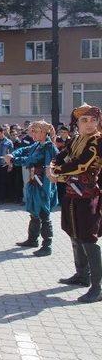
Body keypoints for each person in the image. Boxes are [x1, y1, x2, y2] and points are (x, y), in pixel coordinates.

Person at [50, 104, 102, 303]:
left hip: (89, 195)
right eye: (84, 120)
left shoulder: (97, 141)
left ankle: (98, 287)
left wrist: (57, 172)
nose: (90, 124)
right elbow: (60, 156)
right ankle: (82, 275)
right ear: (77, 123)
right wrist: (53, 166)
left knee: (88, 238)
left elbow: (82, 164)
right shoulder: (76, 139)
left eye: (93, 120)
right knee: (73, 232)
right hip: (72, 193)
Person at [4, 120, 58, 257]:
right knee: (34, 212)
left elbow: (31, 160)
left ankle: (47, 246)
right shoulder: (37, 145)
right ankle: (32, 239)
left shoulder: (48, 147)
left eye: (36, 131)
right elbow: (25, 149)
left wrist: (13, 160)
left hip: (44, 185)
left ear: (44, 132)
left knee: (44, 215)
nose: (32, 133)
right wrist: (13, 154)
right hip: (34, 182)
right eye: (32, 131)